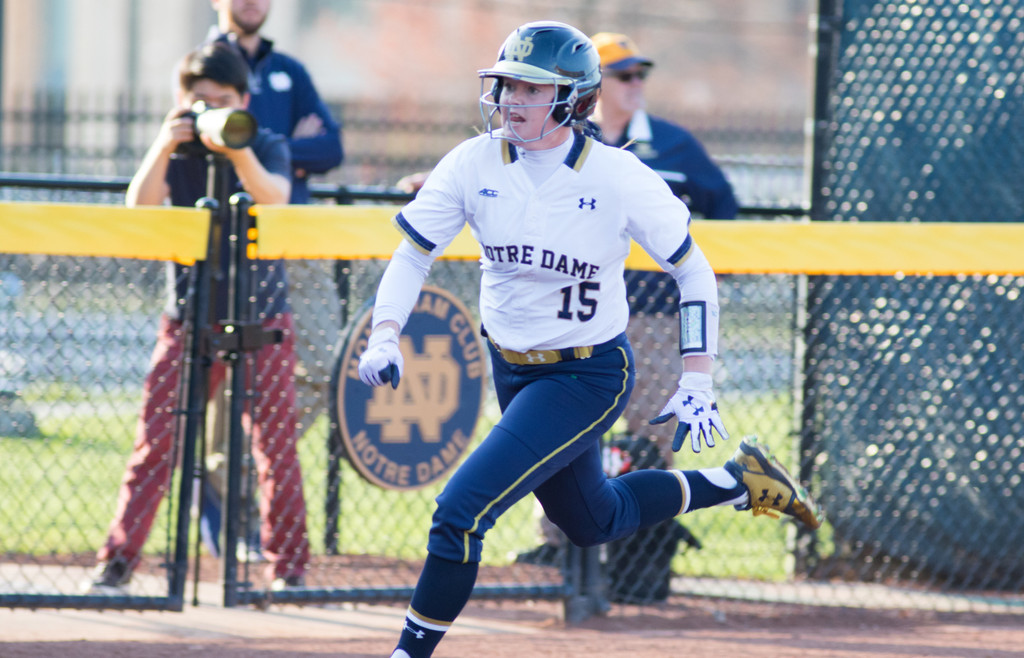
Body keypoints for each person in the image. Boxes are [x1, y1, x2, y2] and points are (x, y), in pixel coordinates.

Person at [356, 21, 822, 658]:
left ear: (574, 99)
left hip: (588, 373)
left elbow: (694, 270)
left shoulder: (616, 174)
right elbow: (413, 256)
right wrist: (385, 334)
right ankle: (739, 481)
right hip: (512, 364)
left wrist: (698, 375)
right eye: (507, 84)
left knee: (459, 512)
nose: (511, 99)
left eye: (531, 87)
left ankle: (407, 654)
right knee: (591, 520)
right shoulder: (473, 160)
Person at [89, 42, 309, 592]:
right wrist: (166, 143)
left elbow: (275, 196)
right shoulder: (177, 151)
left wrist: (236, 150)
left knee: (276, 450)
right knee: (155, 444)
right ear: (181, 101)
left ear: (245, 99)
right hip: (189, 317)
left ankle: (289, 570)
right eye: (202, 101)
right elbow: (139, 209)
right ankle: (116, 564)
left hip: (262, 317)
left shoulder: (265, 143)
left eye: (225, 100)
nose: (213, 110)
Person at [201, 0, 344, 561]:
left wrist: (270, 147)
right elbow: (203, 138)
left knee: (321, 366)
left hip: (292, 235)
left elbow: (332, 146)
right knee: (217, 373)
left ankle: (229, 472)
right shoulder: (203, 62)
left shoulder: (290, 70)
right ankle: (224, 508)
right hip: (227, 242)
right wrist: (283, 146)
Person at [591, 31, 740, 465]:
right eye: (623, 75)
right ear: (592, 82)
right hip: (585, 309)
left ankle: (649, 530)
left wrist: (700, 271)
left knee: (654, 428)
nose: (636, 82)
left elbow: (722, 205)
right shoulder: (571, 139)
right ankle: (559, 534)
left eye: (641, 74)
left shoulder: (674, 143)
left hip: (653, 312)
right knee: (570, 432)